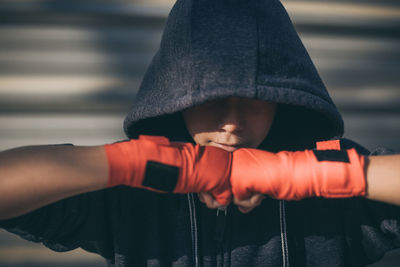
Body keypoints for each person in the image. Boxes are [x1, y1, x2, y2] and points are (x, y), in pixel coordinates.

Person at [0, 0, 399, 266]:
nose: (231, 123)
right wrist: (130, 164)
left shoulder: (330, 176)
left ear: (285, 99)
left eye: (255, 99)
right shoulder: (133, 188)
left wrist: (307, 174)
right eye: (209, 98)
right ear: (176, 98)